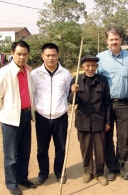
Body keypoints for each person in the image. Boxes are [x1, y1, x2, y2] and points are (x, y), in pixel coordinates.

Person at [0, 40, 36, 195]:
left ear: (28, 55)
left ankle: (22, 178)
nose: (22, 57)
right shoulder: (3, 73)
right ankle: (11, 184)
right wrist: (3, 114)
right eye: (18, 54)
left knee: (24, 151)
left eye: (24, 54)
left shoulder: (28, 72)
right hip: (10, 119)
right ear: (12, 54)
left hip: (26, 116)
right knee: (10, 155)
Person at [96, 27, 128, 181]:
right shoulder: (99, 58)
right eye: (111, 39)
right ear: (107, 41)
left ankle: (121, 165)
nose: (114, 42)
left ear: (121, 40)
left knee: (123, 137)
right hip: (105, 104)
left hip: (124, 104)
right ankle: (111, 167)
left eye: (116, 39)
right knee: (107, 136)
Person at [31, 43, 71, 185]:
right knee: (42, 148)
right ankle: (43, 173)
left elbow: (68, 94)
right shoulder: (35, 74)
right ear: (42, 56)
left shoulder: (65, 74)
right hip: (42, 117)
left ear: (57, 55)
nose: (50, 58)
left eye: (53, 55)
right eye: (47, 55)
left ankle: (59, 172)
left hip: (60, 117)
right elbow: (33, 94)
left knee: (60, 147)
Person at [68, 55, 111, 186]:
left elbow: (107, 103)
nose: (90, 68)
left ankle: (99, 173)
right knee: (85, 148)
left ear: (97, 67)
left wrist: (108, 121)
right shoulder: (76, 80)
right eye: (88, 66)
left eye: (93, 66)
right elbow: (71, 101)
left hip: (99, 120)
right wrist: (72, 92)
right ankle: (88, 171)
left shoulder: (102, 80)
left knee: (100, 148)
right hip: (83, 120)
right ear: (83, 67)